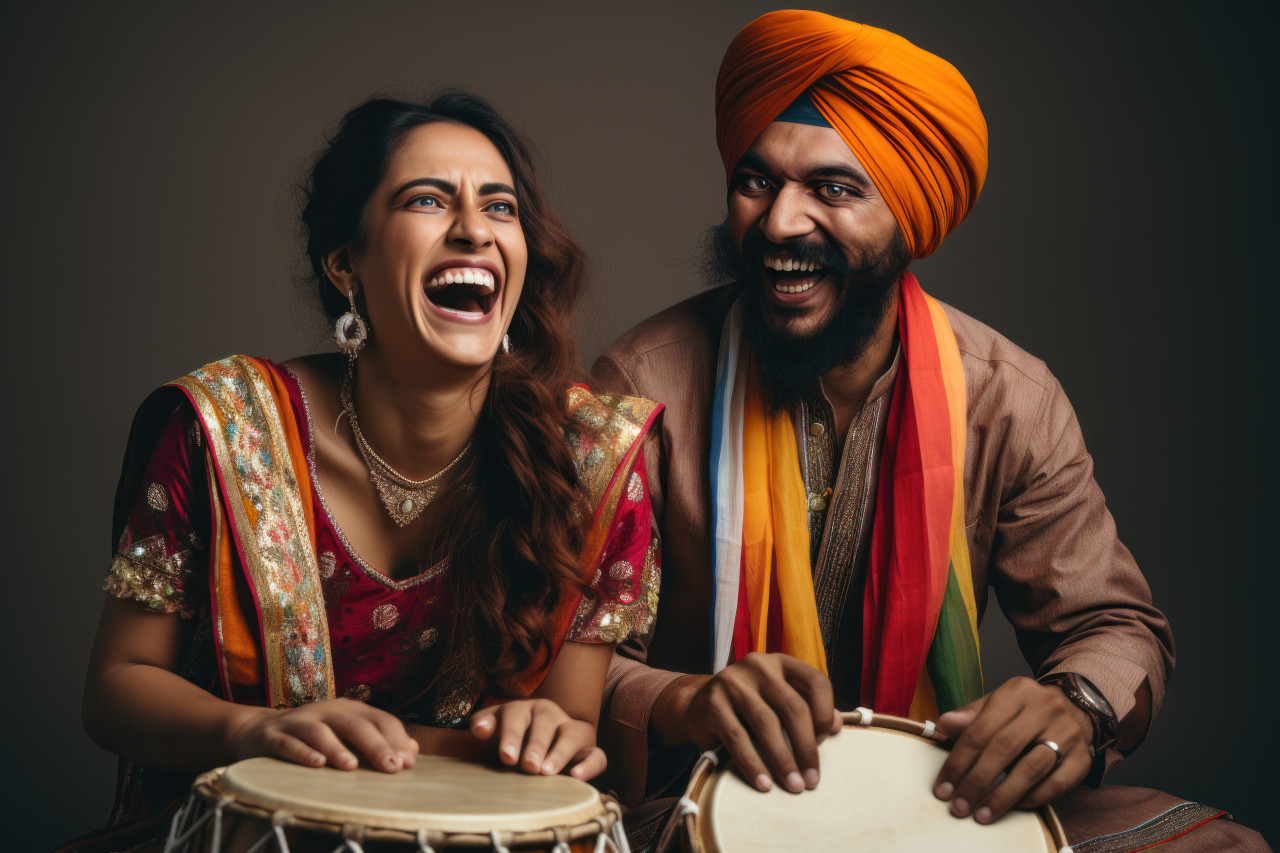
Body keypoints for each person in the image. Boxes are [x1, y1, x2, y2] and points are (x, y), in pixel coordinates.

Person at [591, 10, 1267, 851]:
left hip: (938, 801)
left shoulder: (1008, 398)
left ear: (913, 217)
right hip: (704, 797)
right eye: (757, 181)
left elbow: (1113, 625)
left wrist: (1079, 707)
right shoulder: (641, 389)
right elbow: (553, 662)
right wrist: (686, 701)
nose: (778, 225)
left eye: (834, 189)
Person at [66, 92, 661, 852]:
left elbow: (566, 730)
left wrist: (548, 730)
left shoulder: (589, 460)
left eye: (500, 207)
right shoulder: (224, 427)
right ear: (346, 262)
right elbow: (115, 688)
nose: (474, 229)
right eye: (427, 199)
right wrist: (256, 728)